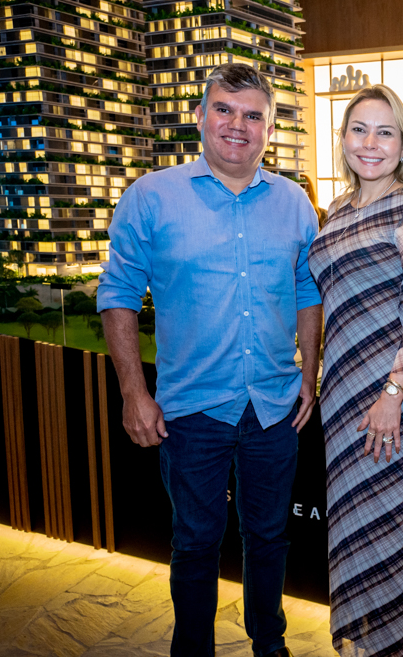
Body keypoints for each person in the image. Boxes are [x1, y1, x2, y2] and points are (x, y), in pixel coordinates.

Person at [97, 63, 322, 657]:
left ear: (269, 128)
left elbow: (307, 291)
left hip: (273, 406)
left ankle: (269, 643)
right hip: (190, 411)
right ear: (200, 116)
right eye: (224, 109)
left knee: (269, 537)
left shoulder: (294, 203)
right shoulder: (152, 197)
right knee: (196, 543)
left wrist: (310, 373)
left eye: (252, 115)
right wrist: (133, 392)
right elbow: (118, 294)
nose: (236, 124)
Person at [307, 84, 403, 656]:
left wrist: (392, 391)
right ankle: (363, 647)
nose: (370, 142)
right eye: (359, 129)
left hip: (393, 397)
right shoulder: (337, 211)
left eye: (385, 132)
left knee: (394, 528)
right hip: (342, 399)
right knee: (353, 531)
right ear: (342, 139)